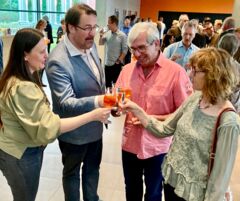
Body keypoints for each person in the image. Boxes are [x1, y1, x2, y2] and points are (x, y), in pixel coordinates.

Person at [0, 28, 111, 201]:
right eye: (42, 51)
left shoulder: (20, 78)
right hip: (21, 154)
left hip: (18, 150)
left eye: (46, 49)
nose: (47, 55)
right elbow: (50, 126)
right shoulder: (23, 87)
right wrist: (93, 115)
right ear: (25, 55)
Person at [121, 47, 240, 201]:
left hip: (194, 195)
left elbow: (219, 181)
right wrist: (137, 109)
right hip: (173, 184)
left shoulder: (228, 121)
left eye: (195, 71)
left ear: (213, 75)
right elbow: (165, 129)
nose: (190, 74)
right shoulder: (195, 98)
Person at [115, 22, 192, 201]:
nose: (136, 54)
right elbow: (116, 101)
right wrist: (114, 110)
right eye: (133, 49)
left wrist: (149, 119)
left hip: (159, 147)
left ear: (156, 44)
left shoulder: (176, 73)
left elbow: (185, 114)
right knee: (131, 190)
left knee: (154, 194)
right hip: (130, 144)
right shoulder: (126, 71)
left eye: (141, 48)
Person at [46, 4, 106, 201]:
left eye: (94, 27)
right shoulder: (58, 61)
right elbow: (65, 103)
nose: (92, 33)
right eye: (87, 28)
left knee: (92, 170)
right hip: (74, 134)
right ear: (70, 27)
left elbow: (97, 80)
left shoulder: (90, 44)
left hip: (96, 127)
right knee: (72, 174)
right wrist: (99, 101)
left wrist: (108, 103)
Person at [99, 15, 128, 87]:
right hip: (107, 64)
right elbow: (101, 43)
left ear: (114, 24)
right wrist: (101, 36)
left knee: (116, 85)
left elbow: (125, 50)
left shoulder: (122, 35)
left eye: (109, 22)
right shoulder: (107, 33)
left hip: (116, 65)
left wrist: (118, 61)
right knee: (107, 85)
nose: (107, 24)